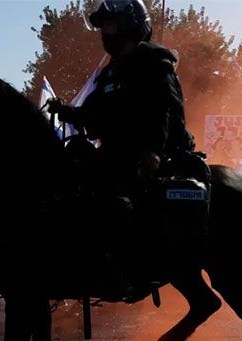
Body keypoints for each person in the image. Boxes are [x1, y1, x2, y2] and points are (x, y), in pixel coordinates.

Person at [47, 0, 197, 296]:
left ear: (130, 24)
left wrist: (154, 150)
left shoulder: (154, 62)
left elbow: (164, 111)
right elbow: (94, 115)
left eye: (109, 24)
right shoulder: (110, 73)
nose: (104, 31)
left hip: (156, 154)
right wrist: (66, 112)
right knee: (71, 164)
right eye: (101, 26)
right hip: (117, 153)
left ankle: (124, 270)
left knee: (109, 193)